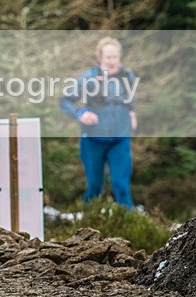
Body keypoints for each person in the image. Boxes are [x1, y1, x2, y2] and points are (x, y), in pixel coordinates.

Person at [59, 37, 138, 208]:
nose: (111, 61)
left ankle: (131, 227)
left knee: (121, 186)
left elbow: (130, 100)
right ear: (99, 58)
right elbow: (64, 101)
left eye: (115, 57)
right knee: (95, 187)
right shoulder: (87, 78)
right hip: (93, 140)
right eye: (108, 57)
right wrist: (80, 113)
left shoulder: (128, 76)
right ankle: (86, 224)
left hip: (120, 139)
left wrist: (132, 113)